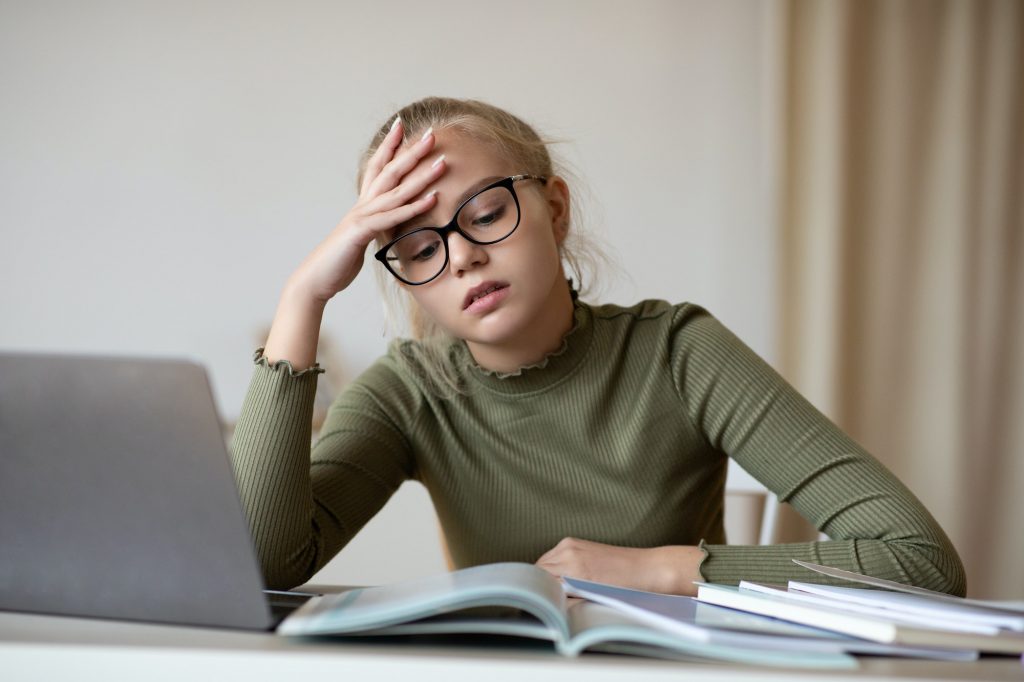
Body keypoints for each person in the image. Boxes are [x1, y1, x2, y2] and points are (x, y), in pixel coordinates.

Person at [230, 97, 965, 596]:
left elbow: (920, 560)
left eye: (485, 213)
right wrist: (306, 296)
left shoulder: (679, 351)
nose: (460, 259)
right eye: (418, 249)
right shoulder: (410, 392)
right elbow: (261, 562)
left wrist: (665, 570)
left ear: (553, 209)